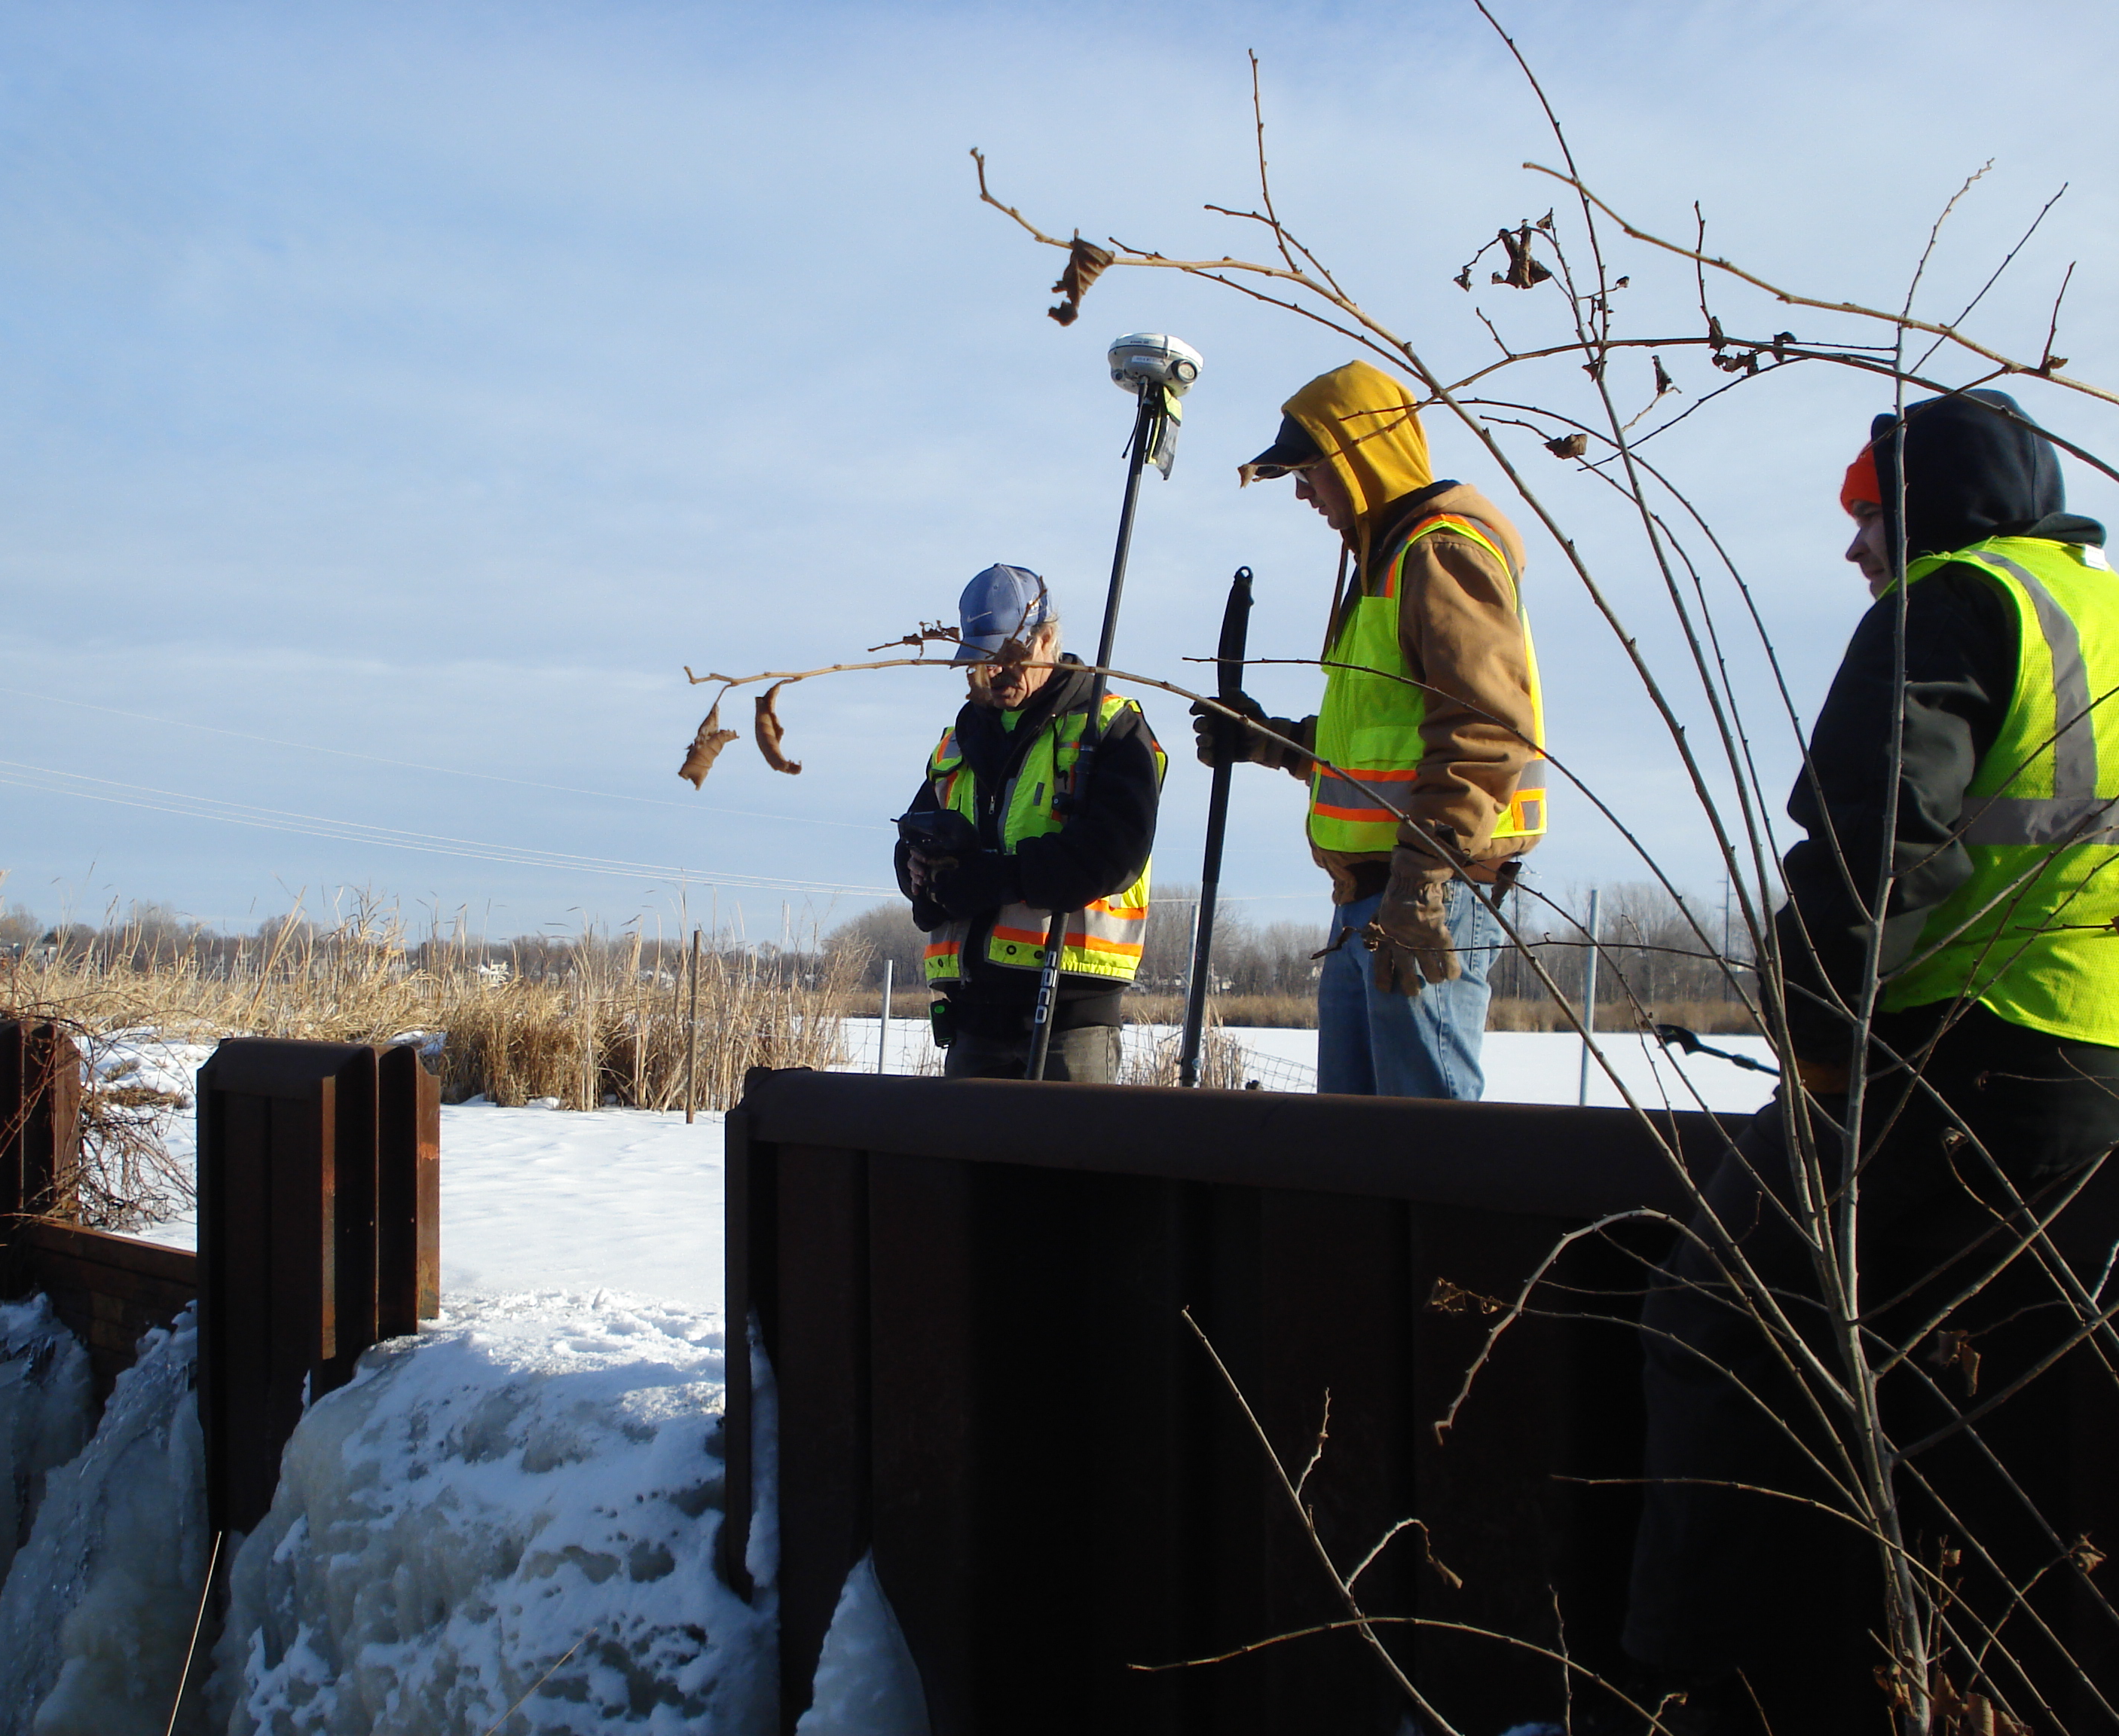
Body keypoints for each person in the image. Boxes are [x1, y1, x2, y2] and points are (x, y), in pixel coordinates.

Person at [1618, 390, 2119, 1728]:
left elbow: (1863, 856)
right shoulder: (2104, 612)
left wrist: (1822, 1059)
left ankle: (1689, 1692)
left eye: (1868, 517)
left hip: (1961, 1059)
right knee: (1966, 1407)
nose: (1855, 552)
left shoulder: (1958, 600)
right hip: (2094, 1084)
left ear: (1934, 508)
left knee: (1712, 1323)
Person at [1197, 361, 1545, 1099]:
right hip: (1368, 901)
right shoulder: (1385, 567)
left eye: (1307, 470)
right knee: (1355, 1157)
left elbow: (1485, 732)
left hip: (1428, 895)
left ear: (1355, 464)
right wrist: (1267, 740)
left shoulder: (1440, 553)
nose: (1300, 491)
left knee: (1426, 1156)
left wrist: (1420, 892)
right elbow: (1373, 745)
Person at [898, 564, 1165, 1082]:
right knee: (966, 1164)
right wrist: (921, 873)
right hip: (974, 1016)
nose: (995, 673)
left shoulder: (1109, 726)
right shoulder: (961, 736)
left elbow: (1114, 853)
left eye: (1008, 657)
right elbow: (916, 826)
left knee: (1062, 1164)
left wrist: (993, 879)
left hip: (1070, 1014)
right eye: (981, 661)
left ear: (1047, 640)